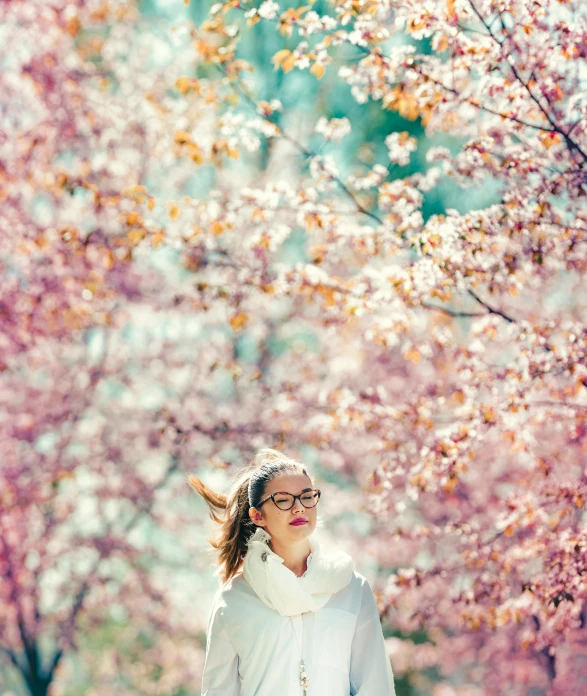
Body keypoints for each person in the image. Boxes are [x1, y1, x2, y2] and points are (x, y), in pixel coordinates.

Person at [188, 447, 396, 696]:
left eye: (307, 496)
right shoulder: (233, 599)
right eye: (283, 500)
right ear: (257, 515)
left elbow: (375, 685)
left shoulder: (350, 587)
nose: (299, 508)